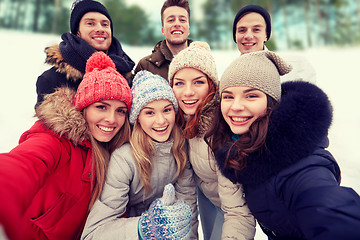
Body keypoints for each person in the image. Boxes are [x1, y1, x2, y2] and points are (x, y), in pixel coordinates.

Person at [206, 50, 360, 239]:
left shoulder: (301, 167)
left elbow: (336, 218)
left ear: (272, 102)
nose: (236, 106)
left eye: (251, 96)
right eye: (228, 96)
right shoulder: (246, 147)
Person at [0, 51, 132, 240]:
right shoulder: (56, 139)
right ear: (84, 108)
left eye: (120, 111)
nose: (111, 119)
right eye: (101, 107)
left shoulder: (117, 153)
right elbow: (24, 163)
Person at [81, 70, 198, 240]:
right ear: (138, 119)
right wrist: (145, 228)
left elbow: (188, 212)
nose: (161, 121)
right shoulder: (124, 159)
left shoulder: (180, 150)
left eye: (166, 110)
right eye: (149, 112)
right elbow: (94, 233)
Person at [169, 41, 256, 239]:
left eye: (198, 82)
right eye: (179, 83)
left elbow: (238, 212)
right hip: (207, 196)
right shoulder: (179, 121)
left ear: (212, 85)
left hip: (228, 208)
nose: (188, 92)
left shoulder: (219, 131)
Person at [35, 0, 135, 108]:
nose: (100, 29)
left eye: (105, 24)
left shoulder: (128, 75)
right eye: (90, 23)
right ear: (77, 32)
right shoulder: (52, 79)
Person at [233, 4, 316, 83]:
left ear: (266, 35)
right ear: (235, 36)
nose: (248, 36)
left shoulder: (297, 66)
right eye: (242, 30)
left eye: (256, 30)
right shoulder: (230, 75)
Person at [132, 0, 192, 82]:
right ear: (163, 30)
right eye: (171, 20)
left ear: (188, 29)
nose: (177, 24)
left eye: (182, 20)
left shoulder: (204, 61)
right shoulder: (145, 66)